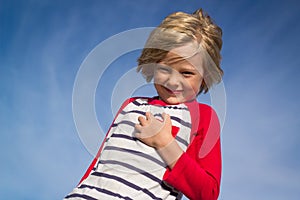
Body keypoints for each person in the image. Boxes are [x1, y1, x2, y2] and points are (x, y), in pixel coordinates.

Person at [65, 8, 223, 200]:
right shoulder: (131, 105)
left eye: (187, 73)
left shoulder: (204, 117)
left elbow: (208, 194)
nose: (173, 81)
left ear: (205, 76)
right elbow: (100, 161)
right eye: (165, 69)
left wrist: (165, 143)